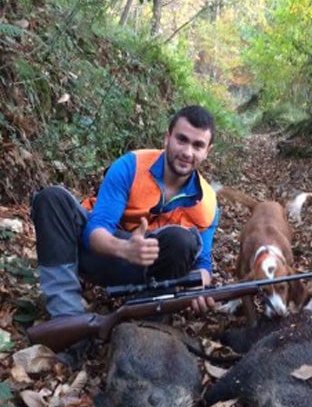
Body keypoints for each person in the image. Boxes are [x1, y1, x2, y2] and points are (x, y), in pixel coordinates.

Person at [31, 105, 219, 362]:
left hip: (151, 275)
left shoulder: (208, 202)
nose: (187, 152)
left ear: (207, 152)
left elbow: (203, 262)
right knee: (51, 199)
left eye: (197, 145)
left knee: (182, 241)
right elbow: (94, 232)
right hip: (98, 255)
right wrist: (125, 249)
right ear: (167, 138)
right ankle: (70, 326)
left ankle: (140, 333)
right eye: (181, 140)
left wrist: (202, 286)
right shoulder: (131, 165)